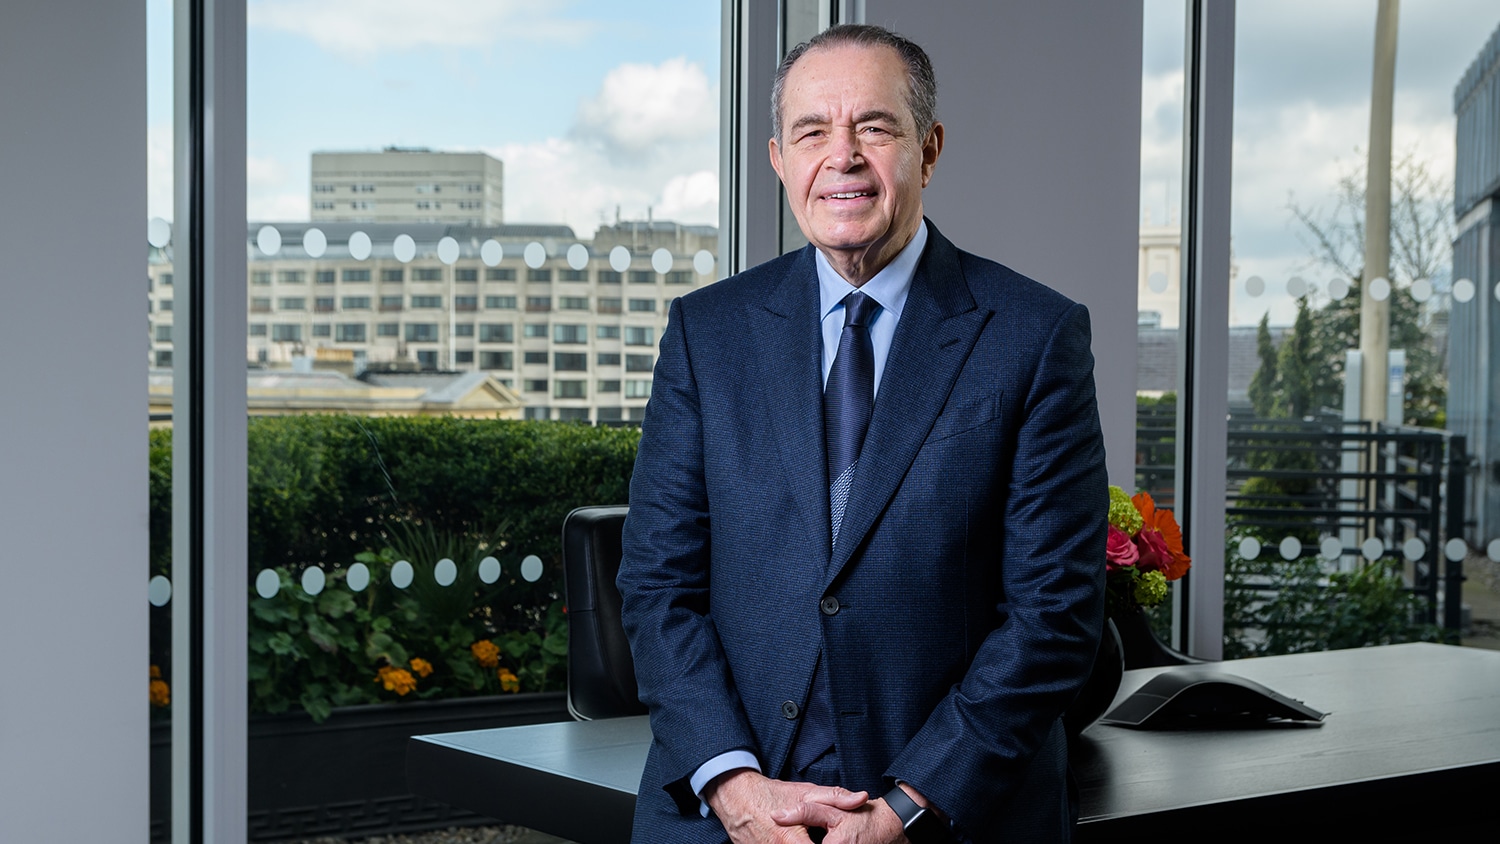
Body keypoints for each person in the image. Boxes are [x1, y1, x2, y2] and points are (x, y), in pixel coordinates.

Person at [617, 23, 1106, 844]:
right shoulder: (708, 333)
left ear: (929, 149)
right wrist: (736, 789)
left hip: (949, 812)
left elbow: (1053, 613)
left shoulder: (1033, 335)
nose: (841, 157)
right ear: (779, 160)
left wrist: (909, 806)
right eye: (812, 133)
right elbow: (657, 585)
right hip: (733, 809)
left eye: (873, 128)